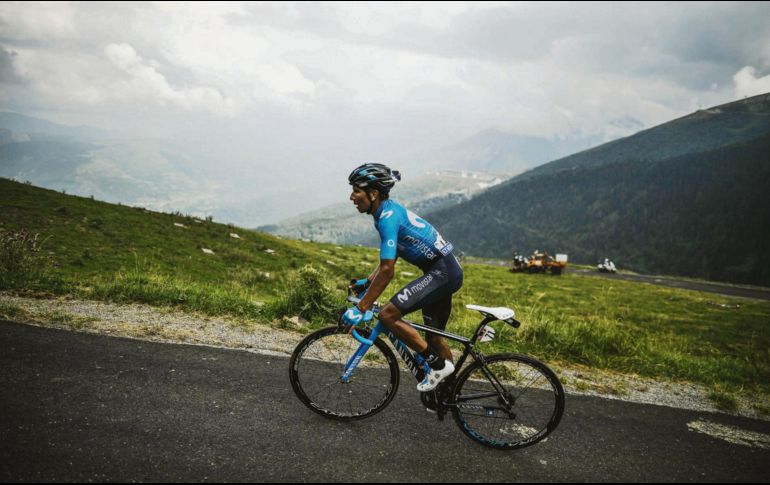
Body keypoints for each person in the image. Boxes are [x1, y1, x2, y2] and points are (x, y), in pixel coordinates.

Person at [340, 163, 463, 392]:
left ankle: (437, 365)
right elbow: (391, 257)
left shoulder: (387, 218)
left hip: (442, 273)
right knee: (434, 338)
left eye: (356, 190)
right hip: (445, 271)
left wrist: (361, 308)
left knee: (388, 314)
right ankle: (449, 394)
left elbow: (388, 270)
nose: (352, 196)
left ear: (373, 193)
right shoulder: (386, 211)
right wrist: (367, 283)